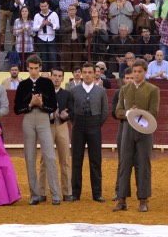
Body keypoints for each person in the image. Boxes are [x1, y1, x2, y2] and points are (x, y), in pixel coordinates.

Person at [113, 59, 160, 212]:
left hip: (144, 131)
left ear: (145, 72)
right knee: (124, 163)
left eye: (140, 72)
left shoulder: (153, 89)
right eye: (135, 71)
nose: (137, 74)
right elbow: (118, 111)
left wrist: (137, 114)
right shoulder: (125, 89)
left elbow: (154, 113)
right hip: (127, 129)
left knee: (143, 164)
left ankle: (143, 200)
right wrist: (129, 113)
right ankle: (121, 199)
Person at [14, 54, 61, 205]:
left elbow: (53, 106)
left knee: (50, 156)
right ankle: (34, 195)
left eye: (36, 68)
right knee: (29, 157)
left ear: (40, 68)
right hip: (28, 120)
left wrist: (40, 104)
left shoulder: (47, 83)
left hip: (43, 119)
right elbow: (16, 109)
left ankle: (55, 195)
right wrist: (29, 105)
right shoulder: (22, 85)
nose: (33, 71)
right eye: (31, 68)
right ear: (27, 68)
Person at [70, 61, 108, 202]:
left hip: (94, 125)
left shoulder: (101, 91)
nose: (86, 75)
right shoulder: (73, 91)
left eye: (89, 72)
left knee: (95, 160)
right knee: (77, 160)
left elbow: (104, 112)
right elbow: (71, 110)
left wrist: (97, 125)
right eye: (84, 72)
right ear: (80, 73)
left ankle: (97, 193)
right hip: (78, 126)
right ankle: (75, 193)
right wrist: (76, 122)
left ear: (95, 74)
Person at [42, 68, 74, 201]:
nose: (56, 78)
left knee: (65, 159)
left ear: (63, 78)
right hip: (46, 126)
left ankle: (67, 193)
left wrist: (66, 116)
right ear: (50, 77)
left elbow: (72, 110)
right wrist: (49, 114)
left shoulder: (67, 94)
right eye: (54, 75)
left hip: (62, 125)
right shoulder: (43, 93)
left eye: (59, 76)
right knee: (45, 160)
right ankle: (41, 193)